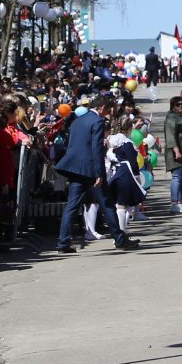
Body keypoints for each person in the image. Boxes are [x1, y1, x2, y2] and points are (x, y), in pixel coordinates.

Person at [55, 94, 139, 253]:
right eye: (107, 110)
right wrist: (99, 173)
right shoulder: (98, 121)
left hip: (76, 168)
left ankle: (63, 242)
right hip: (91, 169)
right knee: (107, 204)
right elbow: (96, 148)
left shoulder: (77, 120)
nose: (108, 113)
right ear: (101, 108)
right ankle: (119, 239)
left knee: (72, 206)